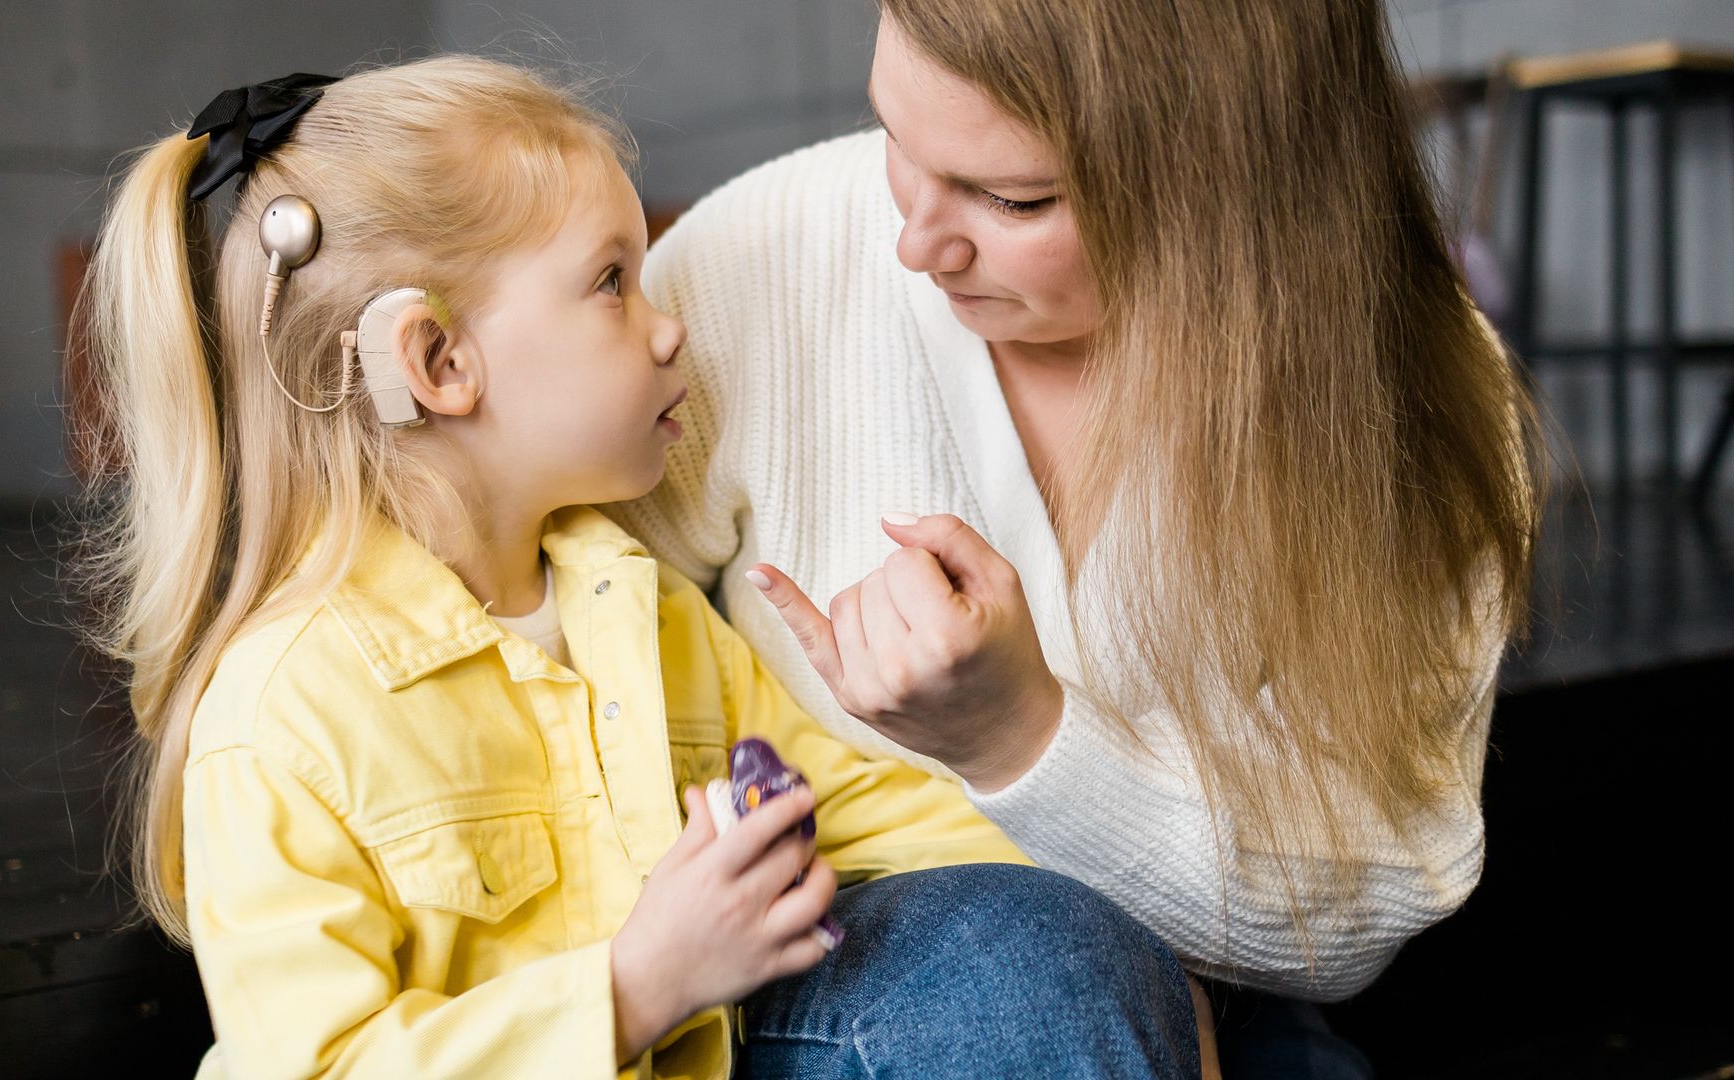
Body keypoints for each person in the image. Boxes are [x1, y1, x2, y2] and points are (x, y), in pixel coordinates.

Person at [72, 57, 1203, 1079]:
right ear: (439, 359)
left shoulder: (641, 611)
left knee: (1080, 962)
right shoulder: (281, 716)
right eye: (613, 280)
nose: (669, 330)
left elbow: (867, 807)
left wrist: (1130, 935)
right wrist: (633, 990)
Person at [606, 0, 1543, 1074]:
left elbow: (1362, 903)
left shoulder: (1411, 395)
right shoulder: (753, 267)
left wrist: (1017, 739)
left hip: (1232, 1001)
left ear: (1231, 182)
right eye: (895, 141)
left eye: (1013, 198)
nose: (914, 240)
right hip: (781, 981)